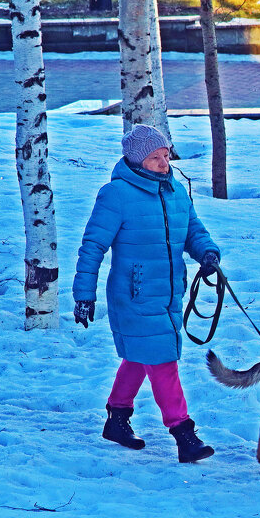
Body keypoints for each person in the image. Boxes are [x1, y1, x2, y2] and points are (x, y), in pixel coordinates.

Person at [73, 124, 221, 463]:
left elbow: (193, 230)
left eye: (166, 156)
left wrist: (207, 253)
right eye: (155, 158)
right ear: (137, 161)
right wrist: (84, 294)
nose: (163, 164)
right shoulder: (117, 195)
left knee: (141, 356)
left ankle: (117, 418)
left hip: (169, 291)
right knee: (162, 359)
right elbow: (93, 246)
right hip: (134, 294)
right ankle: (184, 433)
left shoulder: (175, 191)